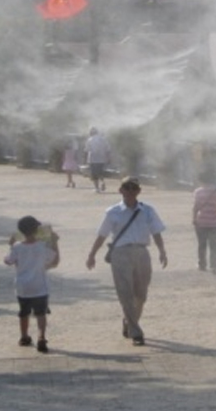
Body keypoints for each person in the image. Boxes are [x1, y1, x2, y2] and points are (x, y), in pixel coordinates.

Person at [86, 176, 167, 346]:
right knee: (125, 294)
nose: (130, 191)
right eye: (126, 187)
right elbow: (102, 234)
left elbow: (156, 232)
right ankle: (136, 331)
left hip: (142, 252)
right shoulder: (112, 212)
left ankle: (129, 321)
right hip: (121, 254)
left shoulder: (148, 210)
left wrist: (162, 251)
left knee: (141, 295)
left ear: (138, 191)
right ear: (120, 190)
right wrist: (92, 254)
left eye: (133, 188)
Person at [4, 216, 60, 353]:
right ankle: (41, 336)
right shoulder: (42, 246)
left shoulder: (17, 247)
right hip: (40, 286)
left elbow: (8, 261)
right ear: (36, 230)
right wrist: (54, 242)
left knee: (24, 313)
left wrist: (10, 245)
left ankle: (24, 336)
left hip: (22, 287)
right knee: (41, 314)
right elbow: (54, 260)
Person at [192, 169, 216, 274]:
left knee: (202, 244)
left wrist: (194, 218)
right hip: (215, 222)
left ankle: (202, 264)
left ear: (201, 180)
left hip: (201, 222)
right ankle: (214, 265)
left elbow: (196, 207)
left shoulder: (198, 192)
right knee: (214, 245)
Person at [84, 127, 112, 193]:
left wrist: (85, 160)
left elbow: (86, 150)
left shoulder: (90, 140)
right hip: (102, 158)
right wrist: (108, 158)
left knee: (94, 174)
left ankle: (97, 188)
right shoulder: (103, 139)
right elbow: (108, 150)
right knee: (100, 172)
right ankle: (102, 182)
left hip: (92, 159)